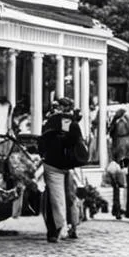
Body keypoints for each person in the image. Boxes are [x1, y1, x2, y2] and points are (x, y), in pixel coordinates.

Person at [38, 97, 89, 242]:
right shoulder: (68, 121)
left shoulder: (55, 121)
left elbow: (58, 139)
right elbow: (72, 138)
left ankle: (60, 229)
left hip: (54, 163)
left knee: (57, 198)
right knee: (70, 196)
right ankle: (73, 225)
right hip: (68, 164)